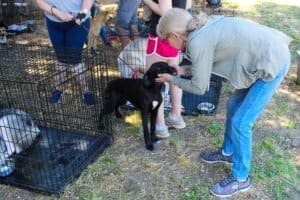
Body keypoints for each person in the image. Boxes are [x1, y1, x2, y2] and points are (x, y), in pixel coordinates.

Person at [155, 8, 291, 197]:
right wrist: (180, 70)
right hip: (259, 57)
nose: (165, 43)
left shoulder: (197, 41)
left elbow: (199, 87)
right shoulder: (200, 28)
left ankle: (241, 178)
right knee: (233, 105)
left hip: (272, 62)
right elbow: (201, 64)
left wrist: (172, 80)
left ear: (175, 35)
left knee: (241, 122)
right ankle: (227, 153)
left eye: (165, 39)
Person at [142, 0, 192, 138]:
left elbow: (165, 11)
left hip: (162, 34)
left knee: (154, 81)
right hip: (177, 33)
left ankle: (160, 125)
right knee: (173, 74)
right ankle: (176, 116)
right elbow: (188, 6)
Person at [35, 0, 95, 106]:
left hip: (77, 21)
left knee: (74, 59)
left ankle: (86, 90)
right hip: (53, 22)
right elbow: (39, 1)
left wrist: (82, 13)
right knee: (61, 57)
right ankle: (59, 87)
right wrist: (58, 13)